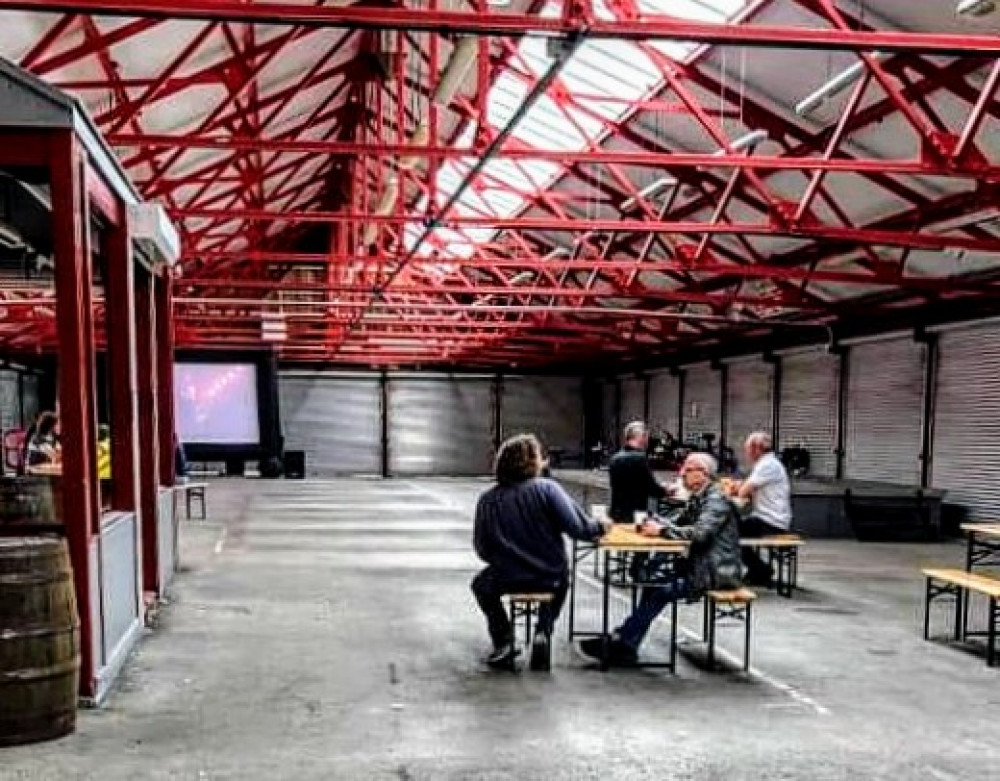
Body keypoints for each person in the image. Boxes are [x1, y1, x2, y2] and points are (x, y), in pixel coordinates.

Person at [580, 452, 742, 666]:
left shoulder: (716, 500)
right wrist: (656, 522)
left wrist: (663, 530)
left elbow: (701, 533)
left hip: (715, 573)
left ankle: (623, 643)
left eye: (688, 469)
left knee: (659, 591)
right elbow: (678, 522)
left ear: (703, 474)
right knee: (651, 583)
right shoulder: (700, 497)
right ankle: (626, 643)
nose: (682, 473)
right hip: (697, 567)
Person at [472, 433, 610, 671]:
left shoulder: (487, 499)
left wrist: (503, 560)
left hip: (507, 577)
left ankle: (504, 640)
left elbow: (481, 548)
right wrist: (601, 525)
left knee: (480, 586)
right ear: (531, 461)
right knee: (561, 581)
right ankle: (543, 632)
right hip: (550, 576)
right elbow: (579, 529)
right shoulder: (548, 489)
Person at [734, 432, 792, 586]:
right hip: (766, 518)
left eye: (747, 449)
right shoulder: (767, 464)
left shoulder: (767, 465)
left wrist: (739, 488)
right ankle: (758, 570)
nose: (746, 453)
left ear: (755, 449)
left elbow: (743, 491)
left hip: (770, 521)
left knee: (726, 531)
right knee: (730, 528)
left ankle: (760, 570)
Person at [608, 421, 667, 523]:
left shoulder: (615, 458)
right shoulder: (639, 458)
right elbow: (651, 488)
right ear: (642, 437)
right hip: (635, 514)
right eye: (647, 437)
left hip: (616, 512)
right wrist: (666, 490)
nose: (648, 441)